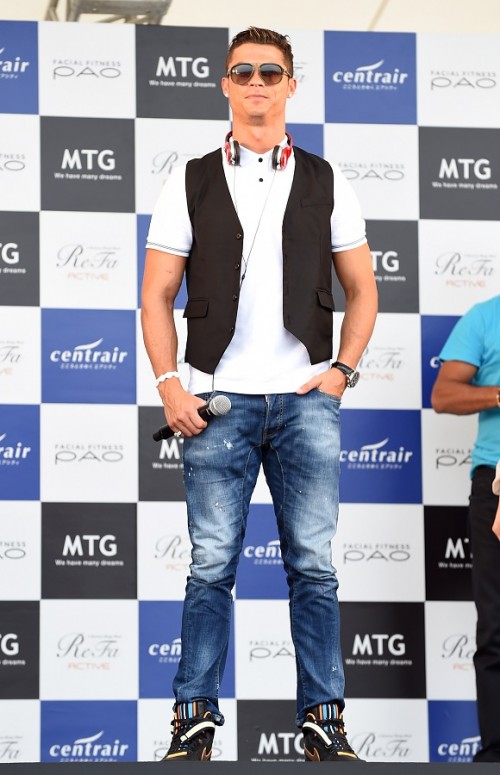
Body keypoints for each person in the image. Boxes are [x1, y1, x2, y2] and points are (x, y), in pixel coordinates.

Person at [141, 26, 378, 763]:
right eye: (242, 71)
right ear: (224, 84)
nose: (255, 82)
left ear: (290, 86)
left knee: (314, 566)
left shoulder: (326, 179)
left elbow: (364, 289)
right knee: (211, 566)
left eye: (269, 72)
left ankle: (323, 724)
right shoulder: (188, 178)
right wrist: (170, 383)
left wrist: (341, 372)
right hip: (217, 403)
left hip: (305, 401)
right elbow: (156, 294)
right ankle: (193, 724)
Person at [431, 294, 500, 763]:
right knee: (496, 626)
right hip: (496, 482)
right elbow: (444, 394)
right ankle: (495, 754)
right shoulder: (485, 317)